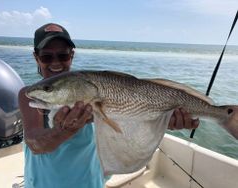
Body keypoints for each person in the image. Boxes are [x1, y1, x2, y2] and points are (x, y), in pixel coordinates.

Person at [18, 23, 199, 188]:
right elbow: (36, 144)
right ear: (36, 57)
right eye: (46, 56)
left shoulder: (91, 95)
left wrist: (169, 121)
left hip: (89, 183)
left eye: (63, 55)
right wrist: (63, 131)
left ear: (71, 55)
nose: (56, 62)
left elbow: (132, 119)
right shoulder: (30, 95)